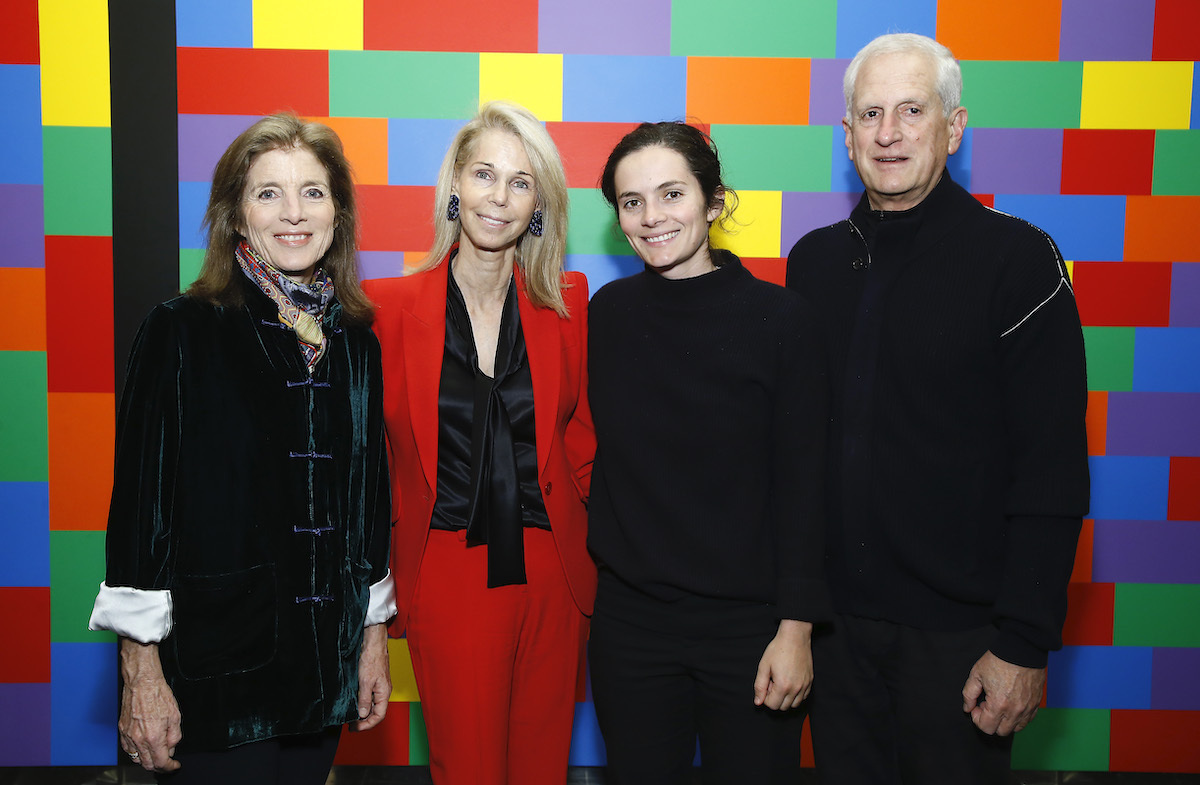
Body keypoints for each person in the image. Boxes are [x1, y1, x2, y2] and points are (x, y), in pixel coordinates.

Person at [785, 33, 1090, 785]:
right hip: (836, 637)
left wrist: (1023, 641)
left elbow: (1051, 466)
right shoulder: (812, 262)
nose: (888, 133)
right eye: (870, 114)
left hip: (963, 642)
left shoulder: (1019, 261)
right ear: (846, 134)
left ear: (954, 128)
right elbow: (794, 450)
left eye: (912, 110)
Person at [87, 113, 395, 784]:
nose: (294, 213)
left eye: (313, 192)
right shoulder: (181, 329)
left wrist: (371, 639)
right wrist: (140, 672)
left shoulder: (357, 342)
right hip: (217, 678)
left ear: (337, 214)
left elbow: (369, 501)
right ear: (234, 214)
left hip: (320, 675)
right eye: (268, 193)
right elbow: (141, 509)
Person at [586, 121, 831, 785]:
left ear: (714, 201)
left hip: (751, 631)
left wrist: (797, 629)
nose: (651, 216)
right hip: (631, 626)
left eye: (672, 194)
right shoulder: (605, 316)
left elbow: (807, 486)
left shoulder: (782, 321)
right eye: (631, 202)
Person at [363, 101, 594, 785]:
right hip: (446, 570)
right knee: (467, 768)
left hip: (555, 571)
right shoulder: (385, 307)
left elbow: (582, 439)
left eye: (521, 182)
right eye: (485, 175)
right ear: (454, 189)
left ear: (540, 204)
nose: (499, 197)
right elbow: (371, 465)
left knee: (542, 767)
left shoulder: (569, 302)